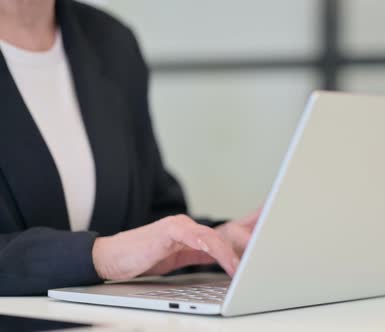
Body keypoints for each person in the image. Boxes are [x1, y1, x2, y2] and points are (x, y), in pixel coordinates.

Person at [0, 0, 259, 296]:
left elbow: (148, 216)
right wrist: (100, 257)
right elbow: (116, 251)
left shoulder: (109, 40)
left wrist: (212, 241)